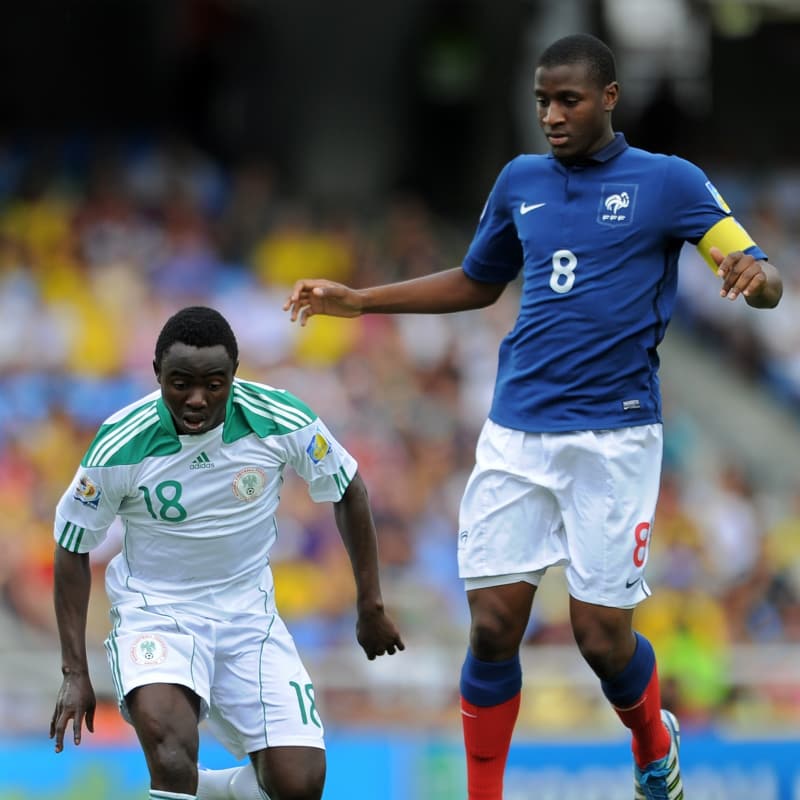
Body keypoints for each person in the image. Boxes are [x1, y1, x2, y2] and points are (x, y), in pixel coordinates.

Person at [283, 32, 784, 800]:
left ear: (608, 99)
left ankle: (654, 742)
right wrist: (361, 300)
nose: (551, 114)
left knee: (600, 640)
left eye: (568, 100)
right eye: (543, 100)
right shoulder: (521, 180)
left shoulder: (668, 182)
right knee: (490, 626)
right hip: (517, 431)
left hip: (615, 438)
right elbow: (479, 281)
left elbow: (760, 272)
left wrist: (756, 276)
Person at [49, 305, 404, 800]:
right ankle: (182, 785)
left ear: (234, 375)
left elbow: (348, 488)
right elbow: (71, 545)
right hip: (156, 612)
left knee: (299, 784)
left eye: (214, 384)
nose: (197, 399)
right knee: (171, 756)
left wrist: (370, 604)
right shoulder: (120, 444)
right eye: (180, 383)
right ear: (157, 375)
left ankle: (207, 791)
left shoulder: (279, 418)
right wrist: (75, 672)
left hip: (248, 619)